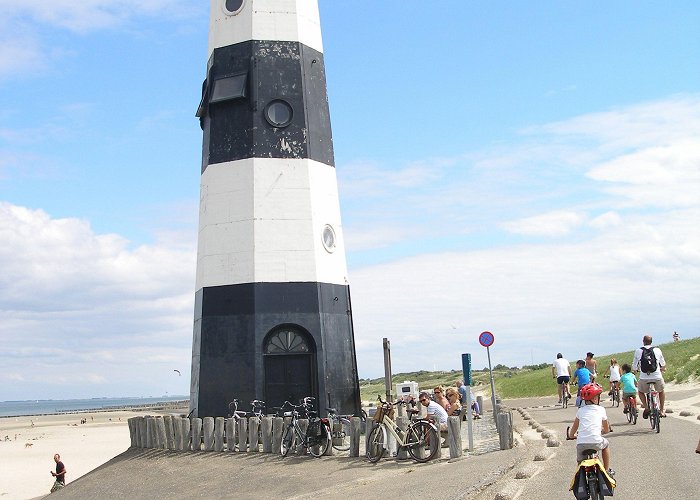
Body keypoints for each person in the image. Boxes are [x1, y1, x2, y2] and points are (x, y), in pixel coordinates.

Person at [566, 383, 614, 475]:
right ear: (595, 398)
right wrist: (603, 431)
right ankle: (606, 470)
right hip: (596, 442)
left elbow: (573, 430)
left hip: (581, 444)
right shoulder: (601, 409)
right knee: (606, 445)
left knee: (580, 465)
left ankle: (579, 477)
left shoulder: (580, 411)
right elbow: (606, 429)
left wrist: (572, 436)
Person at [632, 334, 667, 418]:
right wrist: (662, 368)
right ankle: (661, 410)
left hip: (644, 377)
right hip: (657, 376)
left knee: (640, 391)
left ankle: (646, 407)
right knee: (661, 391)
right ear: (651, 341)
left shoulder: (638, 351)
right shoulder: (657, 350)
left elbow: (634, 366)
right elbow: (663, 363)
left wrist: (635, 370)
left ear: (643, 341)